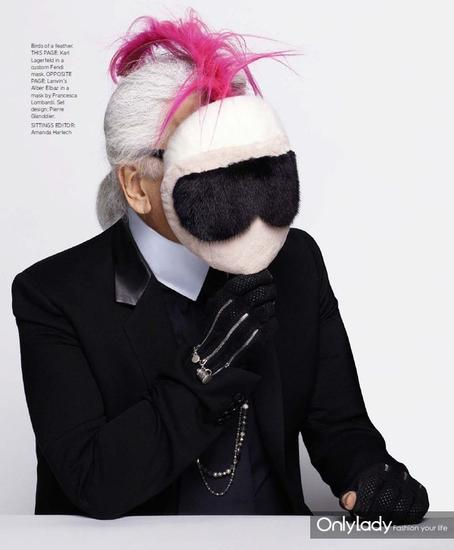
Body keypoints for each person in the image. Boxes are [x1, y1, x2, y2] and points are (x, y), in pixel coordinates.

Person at [11, 10, 429, 521]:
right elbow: (93, 482)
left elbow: (340, 427)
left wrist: (370, 477)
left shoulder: (295, 262)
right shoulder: (53, 294)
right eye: (202, 153)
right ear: (137, 185)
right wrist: (206, 368)